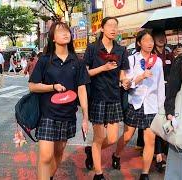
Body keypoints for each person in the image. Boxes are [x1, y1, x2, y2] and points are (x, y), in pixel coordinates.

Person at [29, 21, 89, 180]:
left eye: (67, 31)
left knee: (58, 153)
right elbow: (33, 86)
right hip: (47, 114)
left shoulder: (78, 61)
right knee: (45, 156)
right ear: (53, 38)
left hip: (68, 115)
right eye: (60, 31)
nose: (65, 33)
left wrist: (85, 117)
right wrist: (52, 87)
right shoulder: (45, 60)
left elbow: (82, 89)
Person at [113, 30, 165, 180]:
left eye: (151, 41)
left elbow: (160, 85)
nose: (150, 43)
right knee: (128, 135)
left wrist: (161, 107)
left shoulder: (158, 61)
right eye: (146, 40)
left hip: (151, 105)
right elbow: (127, 84)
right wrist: (141, 76)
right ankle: (116, 155)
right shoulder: (131, 60)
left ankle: (145, 173)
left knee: (150, 140)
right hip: (135, 103)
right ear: (139, 43)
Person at [83, 17, 130, 180]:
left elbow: (123, 73)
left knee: (111, 138)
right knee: (99, 137)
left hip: (114, 97)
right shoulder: (93, 48)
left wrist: (124, 81)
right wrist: (103, 68)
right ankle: (98, 174)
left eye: (116, 26)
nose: (113, 28)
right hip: (97, 97)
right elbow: (85, 73)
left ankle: (91, 151)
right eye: (110, 25)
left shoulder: (121, 50)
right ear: (102, 28)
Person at [152, 29, 173, 172]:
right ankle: (159, 155)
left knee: (169, 122)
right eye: (157, 36)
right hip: (156, 95)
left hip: (171, 94)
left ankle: (168, 152)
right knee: (159, 123)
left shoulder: (170, 53)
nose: (160, 38)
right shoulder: (151, 56)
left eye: (162, 36)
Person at [164, 51, 182, 179]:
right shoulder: (181, 61)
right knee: (178, 162)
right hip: (181, 119)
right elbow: (171, 91)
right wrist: (170, 113)